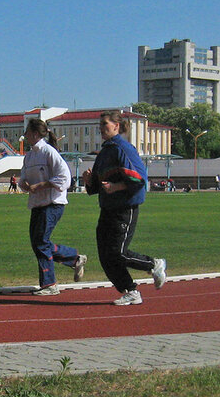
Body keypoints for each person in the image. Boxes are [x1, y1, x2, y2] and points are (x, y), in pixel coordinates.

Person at [81, 111, 166, 306]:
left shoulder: (123, 148)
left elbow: (139, 179)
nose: (101, 128)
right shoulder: (104, 152)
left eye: (105, 124)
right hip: (107, 208)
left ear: (116, 126)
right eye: (100, 125)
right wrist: (88, 181)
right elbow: (97, 188)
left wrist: (116, 187)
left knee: (117, 252)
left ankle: (154, 264)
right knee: (105, 255)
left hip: (124, 207)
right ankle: (130, 290)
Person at [19, 118, 86, 296]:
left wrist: (41, 186)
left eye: (27, 132)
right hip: (37, 204)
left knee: (41, 242)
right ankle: (74, 258)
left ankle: (50, 285)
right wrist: (24, 184)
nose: (24, 135)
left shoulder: (50, 152)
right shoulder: (30, 155)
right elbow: (22, 176)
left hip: (52, 204)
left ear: (34, 134)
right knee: (38, 243)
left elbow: (65, 178)